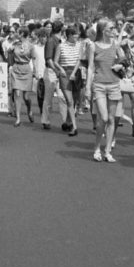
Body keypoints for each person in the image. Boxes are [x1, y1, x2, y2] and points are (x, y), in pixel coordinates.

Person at [85, 18, 125, 163]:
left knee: (112, 119)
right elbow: (90, 67)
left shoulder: (116, 44)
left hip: (114, 84)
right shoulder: (93, 46)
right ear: (103, 31)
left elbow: (124, 60)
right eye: (111, 28)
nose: (114, 31)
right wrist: (88, 88)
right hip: (99, 85)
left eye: (114, 28)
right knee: (104, 118)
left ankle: (107, 151)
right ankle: (96, 148)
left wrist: (121, 66)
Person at [54, 25, 82, 136]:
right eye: (75, 36)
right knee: (69, 101)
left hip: (75, 73)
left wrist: (74, 73)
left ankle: (68, 122)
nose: (77, 38)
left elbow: (79, 60)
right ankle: (74, 128)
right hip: (64, 73)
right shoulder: (61, 46)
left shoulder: (79, 45)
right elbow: (56, 61)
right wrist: (61, 69)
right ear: (69, 35)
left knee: (75, 101)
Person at [8, 26, 37, 127]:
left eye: (18, 32)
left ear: (23, 34)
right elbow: (9, 54)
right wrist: (10, 49)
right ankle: (18, 118)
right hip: (16, 68)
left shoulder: (31, 45)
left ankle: (29, 110)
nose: (16, 34)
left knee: (25, 96)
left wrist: (35, 71)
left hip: (26, 69)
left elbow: (34, 59)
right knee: (17, 93)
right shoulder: (15, 44)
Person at [40, 21, 66, 130]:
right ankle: (45, 120)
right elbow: (49, 59)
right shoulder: (51, 41)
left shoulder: (60, 41)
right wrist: (56, 70)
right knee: (48, 98)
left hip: (58, 70)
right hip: (52, 71)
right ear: (61, 30)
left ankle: (66, 121)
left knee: (62, 97)